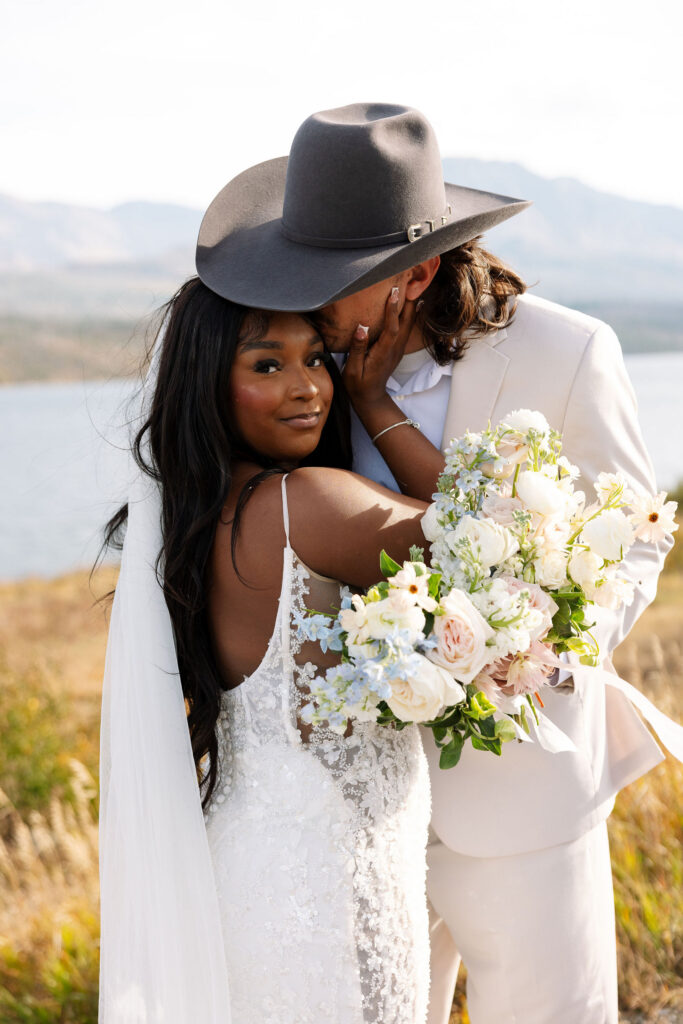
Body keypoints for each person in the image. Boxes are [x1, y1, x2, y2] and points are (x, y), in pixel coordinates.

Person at [194, 102, 676, 1024]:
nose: (302, 302)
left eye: (327, 280)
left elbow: (635, 532)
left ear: (414, 272)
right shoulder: (317, 366)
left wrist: (529, 654)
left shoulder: (567, 351)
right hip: (355, 814)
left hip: (522, 800)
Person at [100, 273, 484, 1021]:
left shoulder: (209, 519)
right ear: (209, 383)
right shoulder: (300, 505)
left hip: (266, 875)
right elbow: (484, 539)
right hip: (323, 890)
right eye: (266, 365)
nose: (308, 387)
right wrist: (375, 404)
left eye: (316, 359)